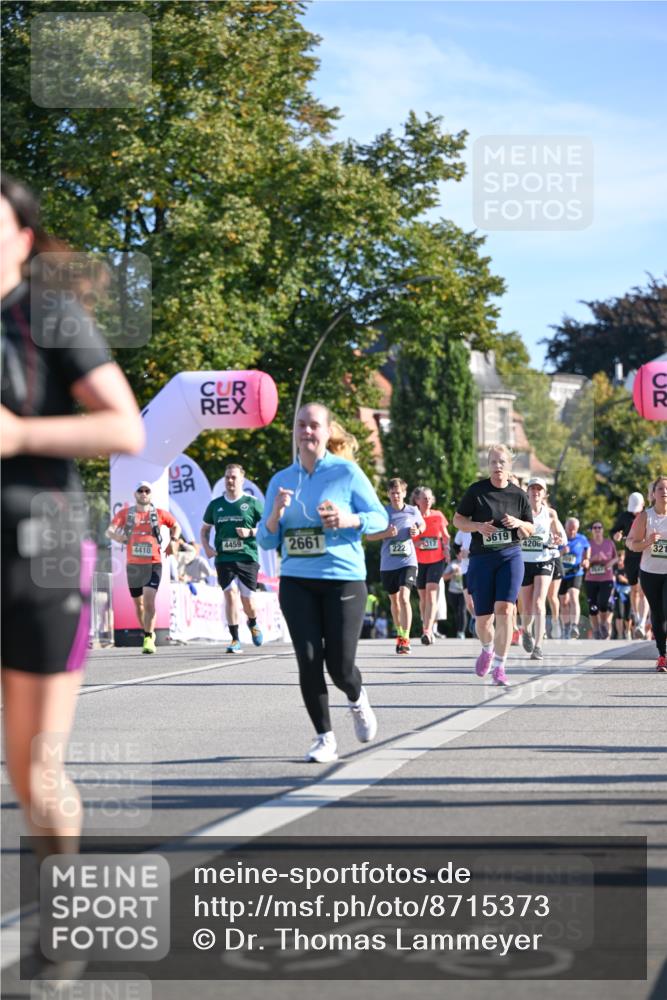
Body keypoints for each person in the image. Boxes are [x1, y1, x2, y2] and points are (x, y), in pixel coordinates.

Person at [1, 174, 144, 868]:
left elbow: (125, 428)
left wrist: (22, 437)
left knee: (33, 773)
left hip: (39, 557)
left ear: (22, 240)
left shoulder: (46, 317)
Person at [257, 402, 387, 762]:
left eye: (314, 425)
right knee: (309, 660)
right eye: (301, 425)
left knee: (340, 667)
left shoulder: (347, 473)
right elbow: (266, 541)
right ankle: (324, 737)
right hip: (297, 580)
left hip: (342, 579)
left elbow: (379, 518)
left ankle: (357, 699)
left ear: (328, 432)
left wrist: (349, 520)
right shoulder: (281, 481)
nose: (307, 431)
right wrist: (274, 518)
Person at [453, 444, 534, 687]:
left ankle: (500, 665)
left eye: (502, 462)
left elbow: (530, 529)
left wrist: (519, 521)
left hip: (510, 556)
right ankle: (487, 649)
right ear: (488, 466)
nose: (497, 466)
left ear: (510, 466)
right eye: (493, 462)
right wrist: (477, 526)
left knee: (506, 610)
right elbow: (458, 520)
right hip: (481, 559)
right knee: (483, 619)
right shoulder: (476, 492)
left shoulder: (518, 495)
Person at [107, 481, 181, 652]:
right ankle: (147, 631)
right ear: (135, 494)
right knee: (138, 604)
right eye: (140, 490)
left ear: (151, 494)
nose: (144, 493)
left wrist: (174, 541)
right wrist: (118, 537)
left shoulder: (159, 514)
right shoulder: (126, 513)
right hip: (133, 565)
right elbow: (110, 530)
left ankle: (148, 638)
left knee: (149, 601)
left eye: (147, 491)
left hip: (153, 563)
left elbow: (176, 526)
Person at [201, 462, 264, 653]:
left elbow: (268, 526)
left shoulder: (252, 503)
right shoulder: (215, 505)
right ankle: (235, 639)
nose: (230, 480)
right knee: (230, 595)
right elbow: (204, 530)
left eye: (234, 477)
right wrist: (207, 548)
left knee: (248, 601)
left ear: (242, 479)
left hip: (247, 556)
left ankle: (252, 622)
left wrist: (250, 532)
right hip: (224, 558)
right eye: (227, 477)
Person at [368, 479, 425, 655]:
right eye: (392, 493)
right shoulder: (382, 512)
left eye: (398, 492)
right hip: (388, 564)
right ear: (388, 494)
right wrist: (386, 534)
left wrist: (418, 530)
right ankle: (399, 634)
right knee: (395, 602)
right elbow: (369, 536)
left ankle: (405, 639)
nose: (395, 496)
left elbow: (422, 524)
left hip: (408, 561)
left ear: (404, 493)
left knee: (404, 598)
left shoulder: (412, 511)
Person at [519, 477, 565, 660]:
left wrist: (559, 538)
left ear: (544, 493)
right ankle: (526, 631)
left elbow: (558, 532)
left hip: (544, 559)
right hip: (524, 561)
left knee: (539, 602)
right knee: (527, 607)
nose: (536, 492)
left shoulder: (550, 513)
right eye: (533, 489)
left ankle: (538, 646)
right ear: (527, 492)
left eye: (539, 489)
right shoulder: (521, 512)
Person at [627, 475, 667, 671]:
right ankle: (662, 655)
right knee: (658, 615)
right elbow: (630, 543)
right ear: (653, 493)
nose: (665, 492)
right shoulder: (645, 516)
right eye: (661, 489)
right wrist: (647, 542)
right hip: (650, 573)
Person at [411, 486, 450, 645]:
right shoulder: (413, 517)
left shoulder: (438, 516)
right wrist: (417, 543)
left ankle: (428, 631)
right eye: (423, 498)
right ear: (417, 501)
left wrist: (447, 549)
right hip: (419, 562)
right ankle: (425, 626)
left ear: (432, 500)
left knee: (432, 593)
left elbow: (446, 536)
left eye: (429, 498)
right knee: (423, 598)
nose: (426, 501)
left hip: (436, 560)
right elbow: (407, 538)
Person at [612, 491, 648, 639]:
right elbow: (614, 531)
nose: (634, 513)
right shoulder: (624, 516)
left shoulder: (647, 515)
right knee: (634, 589)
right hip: (630, 557)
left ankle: (641, 623)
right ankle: (636, 614)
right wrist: (616, 535)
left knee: (642, 588)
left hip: (645, 555)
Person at [584, 521, 618, 640]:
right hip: (591, 579)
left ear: (603, 530)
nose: (597, 529)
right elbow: (584, 562)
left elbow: (616, 558)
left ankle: (603, 624)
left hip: (606, 578)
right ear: (592, 530)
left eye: (600, 527)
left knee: (603, 603)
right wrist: (593, 559)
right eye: (595, 528)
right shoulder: (588, 544)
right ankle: (596, 629)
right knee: (592, 605)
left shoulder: (609, 543)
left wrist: (609, 563)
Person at [558, 517, 590, 639]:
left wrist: (586, 559)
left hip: (576, 572)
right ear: (565, 527)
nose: (572, 532)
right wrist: (562, 553)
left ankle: (574, 626)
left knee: (573, 596)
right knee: (563, 602)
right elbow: (551, 554)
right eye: (569, 529)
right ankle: (566, 626)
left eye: (574, 529)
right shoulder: (559, 538)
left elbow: (588, 549)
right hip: (561, 573)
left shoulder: (582, 539)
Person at [443, 551, 467, 638]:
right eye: (458, 553)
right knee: (456, 612)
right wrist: (453, 574)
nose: (460, 555)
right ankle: (457, 631)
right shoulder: (452, 564)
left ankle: (461, 632)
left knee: (462, 610)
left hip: (464, 591)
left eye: (462, 553)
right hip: (452, 591)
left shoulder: (468, 563)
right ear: (456, 554)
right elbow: (444, 577)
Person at [612, 551, 632, 641]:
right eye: (618, 558)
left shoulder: (628, 568)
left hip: (628, 593)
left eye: (621, 558)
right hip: (618, 593)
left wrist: (625, 580)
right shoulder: (614, 568)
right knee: (619, 614)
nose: (620, 559)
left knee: (628, 615)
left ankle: (627, 632)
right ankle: (620, 634)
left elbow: (633, 582)